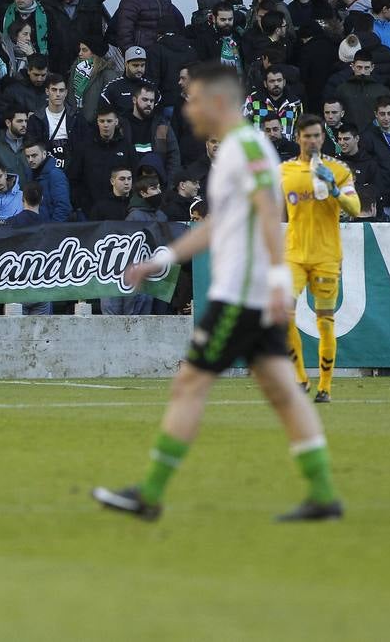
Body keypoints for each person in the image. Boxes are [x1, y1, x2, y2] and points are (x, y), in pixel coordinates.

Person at [93, 63, 341, 523]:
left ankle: (149, 493)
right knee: (285, 392)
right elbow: (218, 225)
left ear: (220, 102)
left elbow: (269, 212)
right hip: (252, 292)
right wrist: (160, 260)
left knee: (189, 384)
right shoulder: (237, 150)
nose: (188, 108)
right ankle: (324, 493)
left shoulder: (245, 147)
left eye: (195, 99)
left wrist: (273, 283)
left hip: (242, 296)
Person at [282, 114, 362, 402]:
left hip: (327, 255)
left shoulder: (337, 169)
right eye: (307, 136)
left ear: (322, 138)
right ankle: (300, 378)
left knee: (324, 320)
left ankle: (325, 387)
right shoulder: (285, 171)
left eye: (317, 136)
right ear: (297, 137)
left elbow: (354, 208)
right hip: (294, 254)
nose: (313, 141)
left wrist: (336, 191)